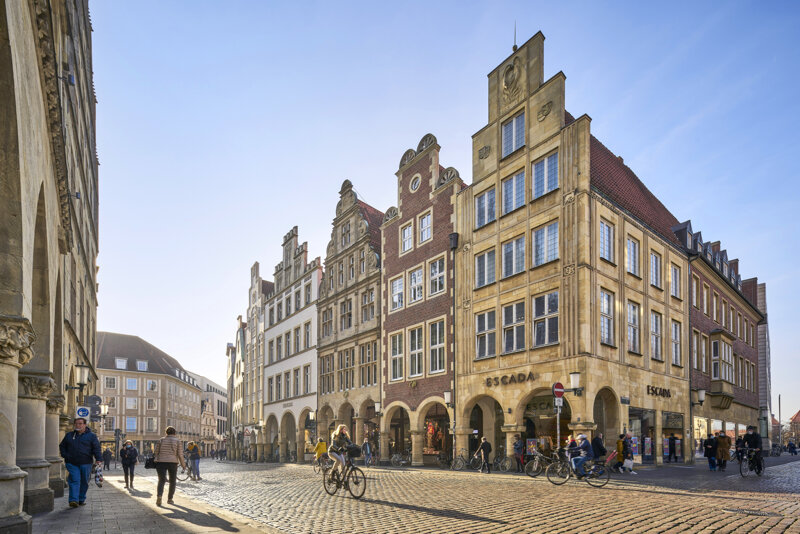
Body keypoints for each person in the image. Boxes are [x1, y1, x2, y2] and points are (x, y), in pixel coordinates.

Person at [58, 417, 102, 507]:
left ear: (85, 425)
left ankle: (81, 499)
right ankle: (73, 500)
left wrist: (99, 459)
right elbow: (62, 446)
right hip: (72, 463)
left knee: (84, 481)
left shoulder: (91, 436)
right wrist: (65, 455)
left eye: (80, 423)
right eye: (76, 424)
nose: (78, 425)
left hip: (86, 463)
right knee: (75, 480)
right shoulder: (69, 435)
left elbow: (96, 448)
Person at [154, 426, 187, 506]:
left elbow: (156, 452)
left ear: (166, 433)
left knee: (161, 480)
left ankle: (159, 496)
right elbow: (180, 454)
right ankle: (170, 499)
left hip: (161, 462)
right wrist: (183, 465)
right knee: (172, 481)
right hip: (173, 462)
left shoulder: (161, 440)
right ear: (175, 433)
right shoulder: (178, 441)